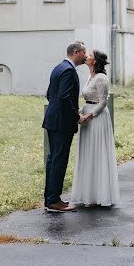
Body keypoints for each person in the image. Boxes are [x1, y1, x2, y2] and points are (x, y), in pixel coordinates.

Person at [71, 50, 120, 207]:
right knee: (88, 153)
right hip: (86, 114)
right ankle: (88, 193)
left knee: (97, 153)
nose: (87, 57)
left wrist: (89, 116)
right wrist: (79, 112)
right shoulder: (89, 76)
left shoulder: (101, 78)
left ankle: (100, 194)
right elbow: (88, 99)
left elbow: (103, 102)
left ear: (95, 61)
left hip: (97, 119)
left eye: (90, 55)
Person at [42, 41, 87, 212]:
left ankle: (50, 198)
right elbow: (64, 97)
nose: (86, 55)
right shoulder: (68, 71)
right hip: (62, 123)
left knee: (53, 159)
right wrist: (76, 117)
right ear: (76, 52)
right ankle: (54, 201)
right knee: (59, 160)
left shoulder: (58, 68)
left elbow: (49, 94)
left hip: (53, 120)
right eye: (84, 52)